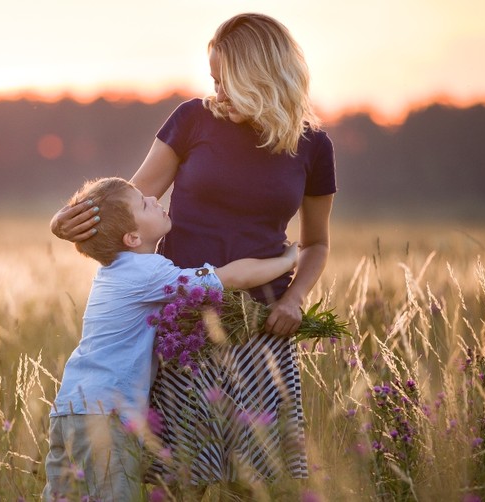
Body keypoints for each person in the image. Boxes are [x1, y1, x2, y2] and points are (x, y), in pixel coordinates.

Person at [50, 12, 336, 491]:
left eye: (226, 81)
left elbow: (316, 243)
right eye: (214, 79)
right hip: (184, 328)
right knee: (180, 480)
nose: (217, 91)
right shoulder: (193, 120)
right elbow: (129, 204)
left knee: (261, 483)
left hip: (262, 328)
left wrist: (294, 299)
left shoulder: (313, 147)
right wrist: (67, 222)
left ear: (261, 77)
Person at [43, 177, 299, 501]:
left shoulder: (112, 272)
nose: (153, 198)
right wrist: (287, 261)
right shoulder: (149, 272)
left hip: (69, 408)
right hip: (105, 414)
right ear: (132, 237)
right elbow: (230, 276)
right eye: (143, 203)